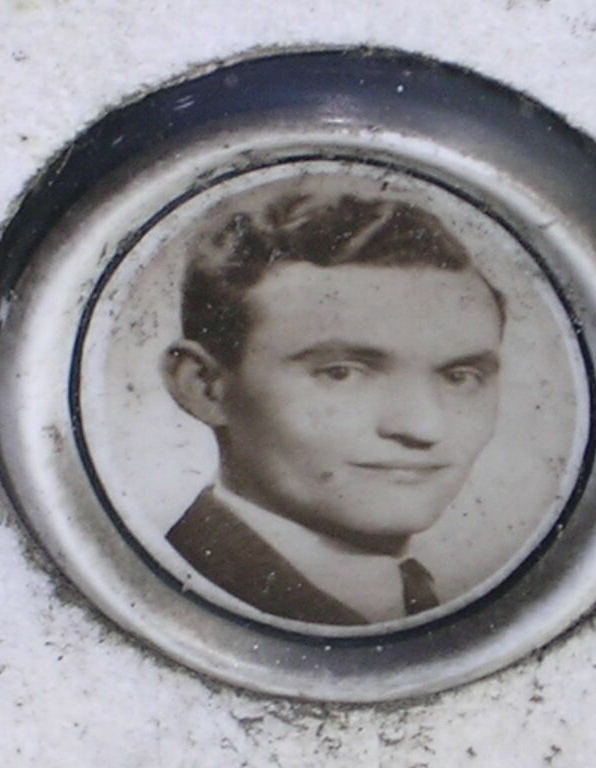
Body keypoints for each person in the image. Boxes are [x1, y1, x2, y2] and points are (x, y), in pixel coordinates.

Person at [160, 176, 505, 626]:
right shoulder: (169, 596)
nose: (422, 427)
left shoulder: (422, 598)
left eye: (460, 377)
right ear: (204, 387)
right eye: (342, 373)